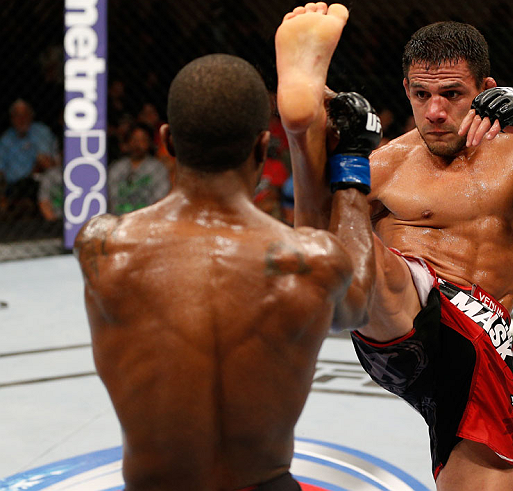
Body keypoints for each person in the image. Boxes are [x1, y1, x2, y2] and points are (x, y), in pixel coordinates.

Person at [278, 7, 513, 491]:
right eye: (421, 94)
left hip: (477, 346)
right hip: (399, 312)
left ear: (485, 88)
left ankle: (308, 134)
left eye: (452, 94)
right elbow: (315, 254)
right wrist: (333, 159)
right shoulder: (384, 165)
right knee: (367, 266)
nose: (435, 111)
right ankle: (306, 130)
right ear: (405, 89)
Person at [74, 46, 379, 490]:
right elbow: (358, 306)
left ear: (168, 141)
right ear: (261, 144)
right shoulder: (313, 261)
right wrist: (352, 162)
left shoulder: (103, 246)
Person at [0, 99, 58, 217]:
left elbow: (46, 163)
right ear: (11, 119)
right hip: (12, 186)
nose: (21, 119)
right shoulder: (6, 138)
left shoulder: (40, 131)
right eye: (17, 116)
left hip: (36, 181)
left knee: (32, 187)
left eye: (25, 115)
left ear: (31, 116)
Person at [107, 122, 171, 214]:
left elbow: (161, 200)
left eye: (142, 140)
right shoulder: (116, 168)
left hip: (147, 221)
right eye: (134, 139)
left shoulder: (158, 169)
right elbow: (111, 199)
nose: (137, 144)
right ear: (127, 143)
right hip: (119, 221)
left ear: (149, 143)